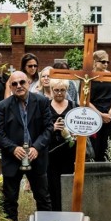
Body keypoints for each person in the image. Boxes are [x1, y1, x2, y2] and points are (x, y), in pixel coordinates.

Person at [0, 70, 53, 221]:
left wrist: (37, 147)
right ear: (10, 87)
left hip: (36, 157)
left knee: (43, 197)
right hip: (13, 158)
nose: (19, 86)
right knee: (10, 199)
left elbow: (49, 128)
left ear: (28, 82)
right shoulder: (3, 106)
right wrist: (13, 148)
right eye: (14, 84)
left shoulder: (42, 101)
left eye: (22, 82)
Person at [47, 78, 76, 211]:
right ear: (51, 90)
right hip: (51, 150)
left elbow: (79, 126)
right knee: (52, 183)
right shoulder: (45, 106)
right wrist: (53, 128)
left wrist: (72, 133)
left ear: (66, 90)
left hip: (69, 151)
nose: (59, 93)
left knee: (68, 181)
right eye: (56, 90)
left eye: (62, 90)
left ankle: (68, 209)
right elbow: (40, 128)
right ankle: (55, 211)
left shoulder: (73, 105)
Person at [88, 50, 111, 161]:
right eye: (103, 62)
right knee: (96, 145)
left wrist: (110, 113)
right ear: (95, 62)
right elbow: (85, 99)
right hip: (95, 113)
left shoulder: (110, 76)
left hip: (110, 112)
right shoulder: (88, 77)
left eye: (107, 62)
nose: (106, 64)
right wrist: (100, 115)